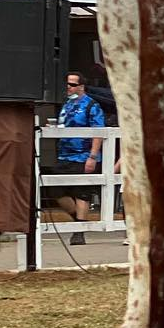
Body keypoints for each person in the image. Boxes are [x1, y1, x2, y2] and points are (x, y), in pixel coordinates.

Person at [47, 72, 106, 245]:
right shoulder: (66, 104)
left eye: (72, 84)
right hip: (64, 155)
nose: (68, 87)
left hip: (83, 156)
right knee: (55, 191)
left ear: (81, 86)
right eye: (66, 84)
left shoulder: (92, 105)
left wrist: (92, 156)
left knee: (82, 192)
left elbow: (99, 132)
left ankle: (79, 232)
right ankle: (79, 220)